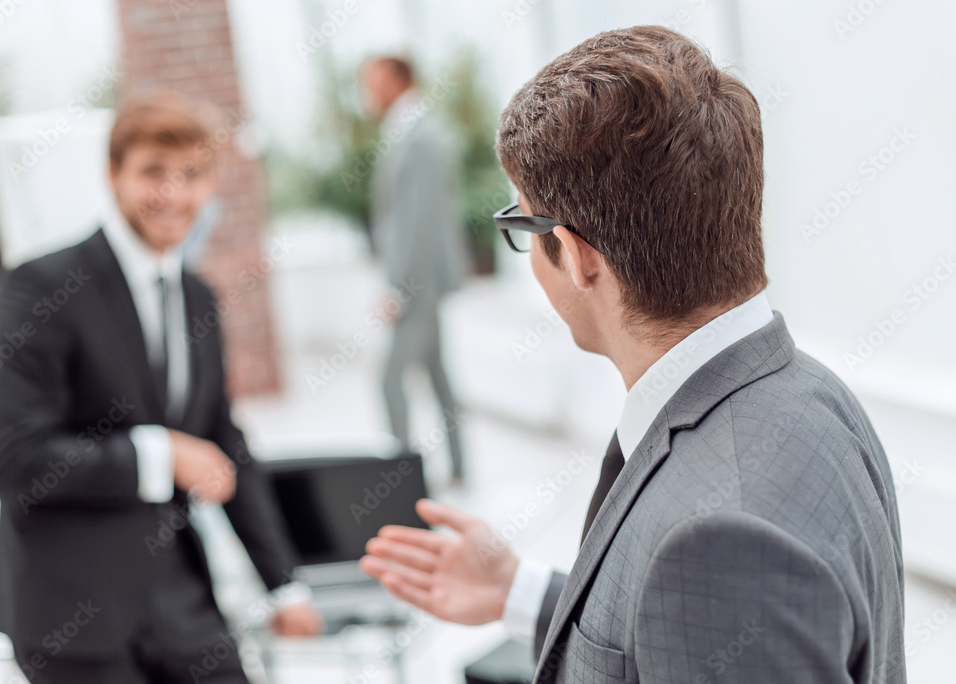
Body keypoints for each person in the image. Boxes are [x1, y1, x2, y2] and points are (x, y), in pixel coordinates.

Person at [360, 27, 905, 683]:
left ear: (578, 257)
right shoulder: (815, 393)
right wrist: (520, 593)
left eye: (521, 223)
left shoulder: (717, 543)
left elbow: (709, 603)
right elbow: (679, 635)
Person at [0, 92, 322, 683]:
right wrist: (160, 454)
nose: (173, 193)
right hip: (73, 618)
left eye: (191, 175)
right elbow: (13, 458)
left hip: (181, 603)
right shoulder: (42, 285)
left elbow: (223, 443)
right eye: (153, 172)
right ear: (113, 174)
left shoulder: (198, 297)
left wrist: (283, 584)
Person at [361, 56, 469, 484]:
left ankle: (401, 482)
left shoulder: (421, 136)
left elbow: (420, 223)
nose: (367, 93)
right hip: (419, 281)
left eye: (372, 82)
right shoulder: (406, 130)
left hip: (417, 283)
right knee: (437, 374)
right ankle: (459, 468)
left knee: (389, 380)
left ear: (396, 80)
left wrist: (401, 288)